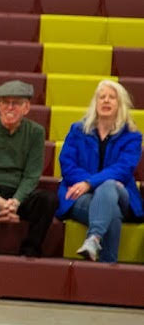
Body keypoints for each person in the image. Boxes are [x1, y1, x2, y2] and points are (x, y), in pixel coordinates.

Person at [0, 80, 59, 257]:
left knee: (49, 200)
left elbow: (32, 174)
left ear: (27, 107)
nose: (10, 108)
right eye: (5, 102)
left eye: (16, 103)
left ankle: (30, 250)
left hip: (20, 194)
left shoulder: (36, 132)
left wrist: (15, 202)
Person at [56, 81, 143, 263]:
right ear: (95, 103)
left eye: (112, 97)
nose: (106, 101)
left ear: (120, 104)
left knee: (109, 186)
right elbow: (67, 163)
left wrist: (90, 183)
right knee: (111, 211)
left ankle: (94, 237)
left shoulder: (132, 136)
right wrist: (92, 185)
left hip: (120, 194)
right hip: (79, 196)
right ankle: (104, 263)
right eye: (101, 97)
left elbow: (123, 169)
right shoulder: (77, 130)